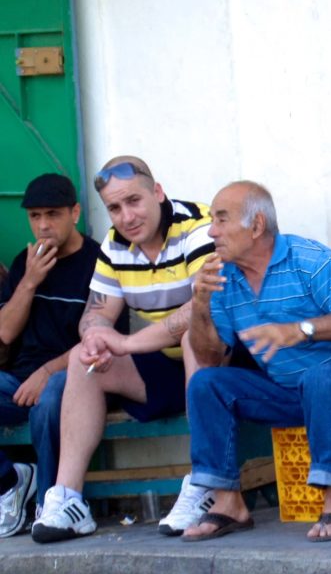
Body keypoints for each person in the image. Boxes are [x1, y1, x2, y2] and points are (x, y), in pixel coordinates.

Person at [183, 181, 331, 542]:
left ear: (256, 225)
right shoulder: (223, 278)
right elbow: (209, 358)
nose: (211, 231)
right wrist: (200, 304)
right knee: (206, 384)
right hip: (290, 392)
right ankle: (228, 503)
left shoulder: (308, 260)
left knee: (321, 376)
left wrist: (301, 329)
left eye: (221, 219)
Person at [31, 157, 215, 543]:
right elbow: (95, 313)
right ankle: (67, 499)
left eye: (134, 201)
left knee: (192, 332)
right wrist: (96, 335)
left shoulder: (198, 226)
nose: (126, 216)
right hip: (166, 366)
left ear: (158, 192)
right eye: (115, 207)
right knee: (86, 359)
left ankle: (205, 481)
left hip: (225, 361)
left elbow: (203, 307)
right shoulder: (115, 245)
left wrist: (127, 342)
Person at [0, 174, 124, 538]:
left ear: (75, 212)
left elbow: (102, 337)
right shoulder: (27, 261)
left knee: (52, 397)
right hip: (19, 381)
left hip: (79, 375)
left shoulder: (100, 262)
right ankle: (11, 481)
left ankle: (53, 504)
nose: (42, 225)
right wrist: (30, 281)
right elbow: (5, 332)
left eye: (52, 214)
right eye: (35, 216)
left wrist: (46, 371)